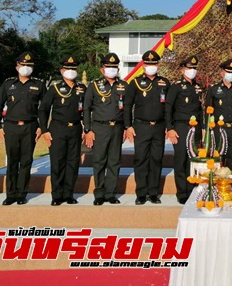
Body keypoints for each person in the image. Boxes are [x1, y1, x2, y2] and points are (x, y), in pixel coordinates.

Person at [0, 52, 46, 205]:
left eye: (29, 65)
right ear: (17, 66)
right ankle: (11, 194)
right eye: (23, 65)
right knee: (12, 161)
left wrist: (42, 127)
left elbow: (45, 108)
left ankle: (22, 194)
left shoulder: (39, 84)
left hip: (30, 127)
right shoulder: (8, 84)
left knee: (26, 161)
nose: (26, 68)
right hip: (11, 126)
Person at [83, 53, 134, 206]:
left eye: (114, 67)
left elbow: (127, 109)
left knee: (114, 161)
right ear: (102, 69)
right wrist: (88, 130)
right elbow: (86, 108)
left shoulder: (124, 86)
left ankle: (111, 193)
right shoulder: (94, 85)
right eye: (108, 66)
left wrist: (127, 127)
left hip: (117, 128)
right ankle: (99, 193)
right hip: (99, 127)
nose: (111, 69)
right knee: (99, 161)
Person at [39, 56, 86, 206]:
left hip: (75, 129)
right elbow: (43, 110)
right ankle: (57, 195)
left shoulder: (82, 88)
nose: (70, 71)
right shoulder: (55, 88)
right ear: (62, 71)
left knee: (73, 162)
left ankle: (69, 194)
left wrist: (87, 128)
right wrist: (44, 130)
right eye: (67, 69)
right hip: (58, 128)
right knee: (58, 162)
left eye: (73, 69)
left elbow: (86, 109)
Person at [128, 50, 170, 205]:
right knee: (141, 159)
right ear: (143, 65)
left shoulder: (164, 83)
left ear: (157, 65)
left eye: (153, 63)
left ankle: (153, 192)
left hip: (159, 127)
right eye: (148, 63)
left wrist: (169, 125)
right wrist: (128, 126)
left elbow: (168, 107)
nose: (151, 66)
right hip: (141, 126)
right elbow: (127, 105)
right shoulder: (136, 82)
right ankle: (141, 193)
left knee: (156, 159)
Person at [165, 55, 203, 204]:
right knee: (180, 160)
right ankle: (182, 192)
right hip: (180, 127)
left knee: (192, 160)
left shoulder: (198, 87)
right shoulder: (176, 87)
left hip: (195, 128)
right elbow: (168, 108)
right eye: (189, 68)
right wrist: (170, 128)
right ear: (182, 70)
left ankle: (192, 188)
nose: (191, 71)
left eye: (194, 68)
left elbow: (200, 109)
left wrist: (202, 128)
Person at [205, 58, 232, 170]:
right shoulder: (214, 89)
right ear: (222, 73)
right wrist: (207, 129)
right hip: (219, 129)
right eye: (228, 72)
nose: (231, 74)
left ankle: (231, 186)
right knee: (218, 159)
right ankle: (218, 186)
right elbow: (207, 110)